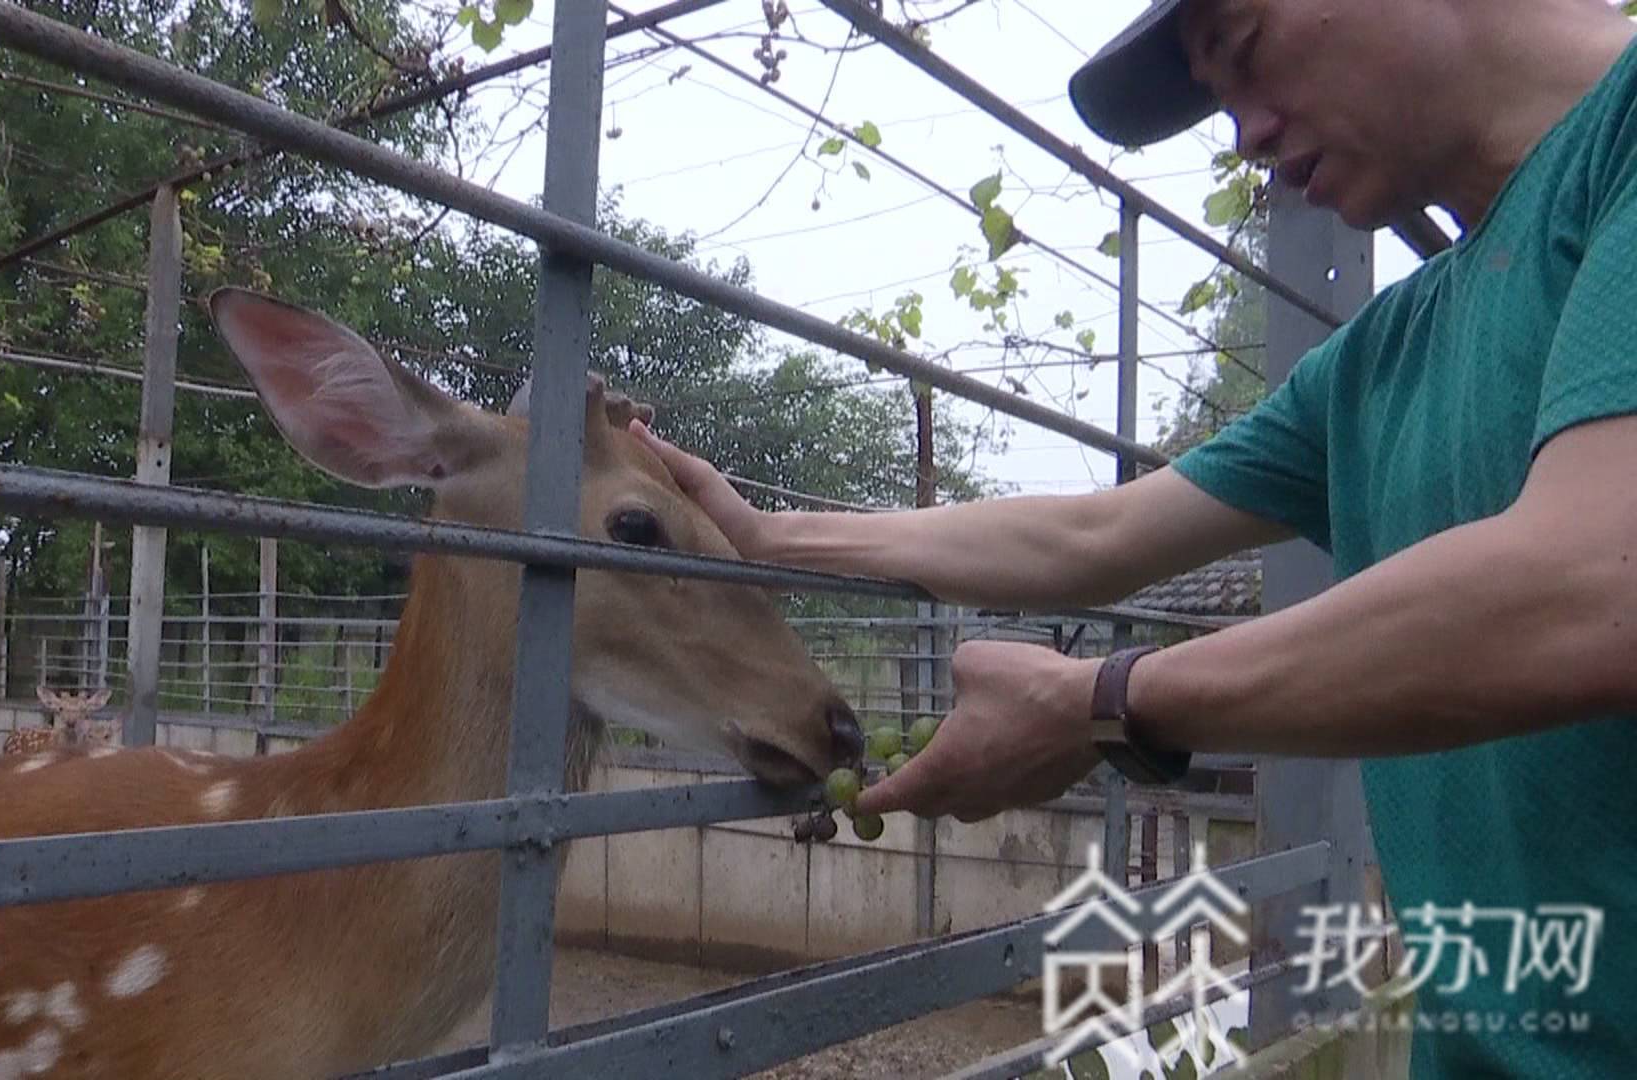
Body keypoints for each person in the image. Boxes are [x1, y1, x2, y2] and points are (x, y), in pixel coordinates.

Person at [632, 0, 1637, 1074]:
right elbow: (1094, 533)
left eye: (1243, 53)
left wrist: (1102, 707)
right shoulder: (1387, 352)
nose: (1242, 135)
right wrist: (767, 535)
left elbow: (1594, 586)